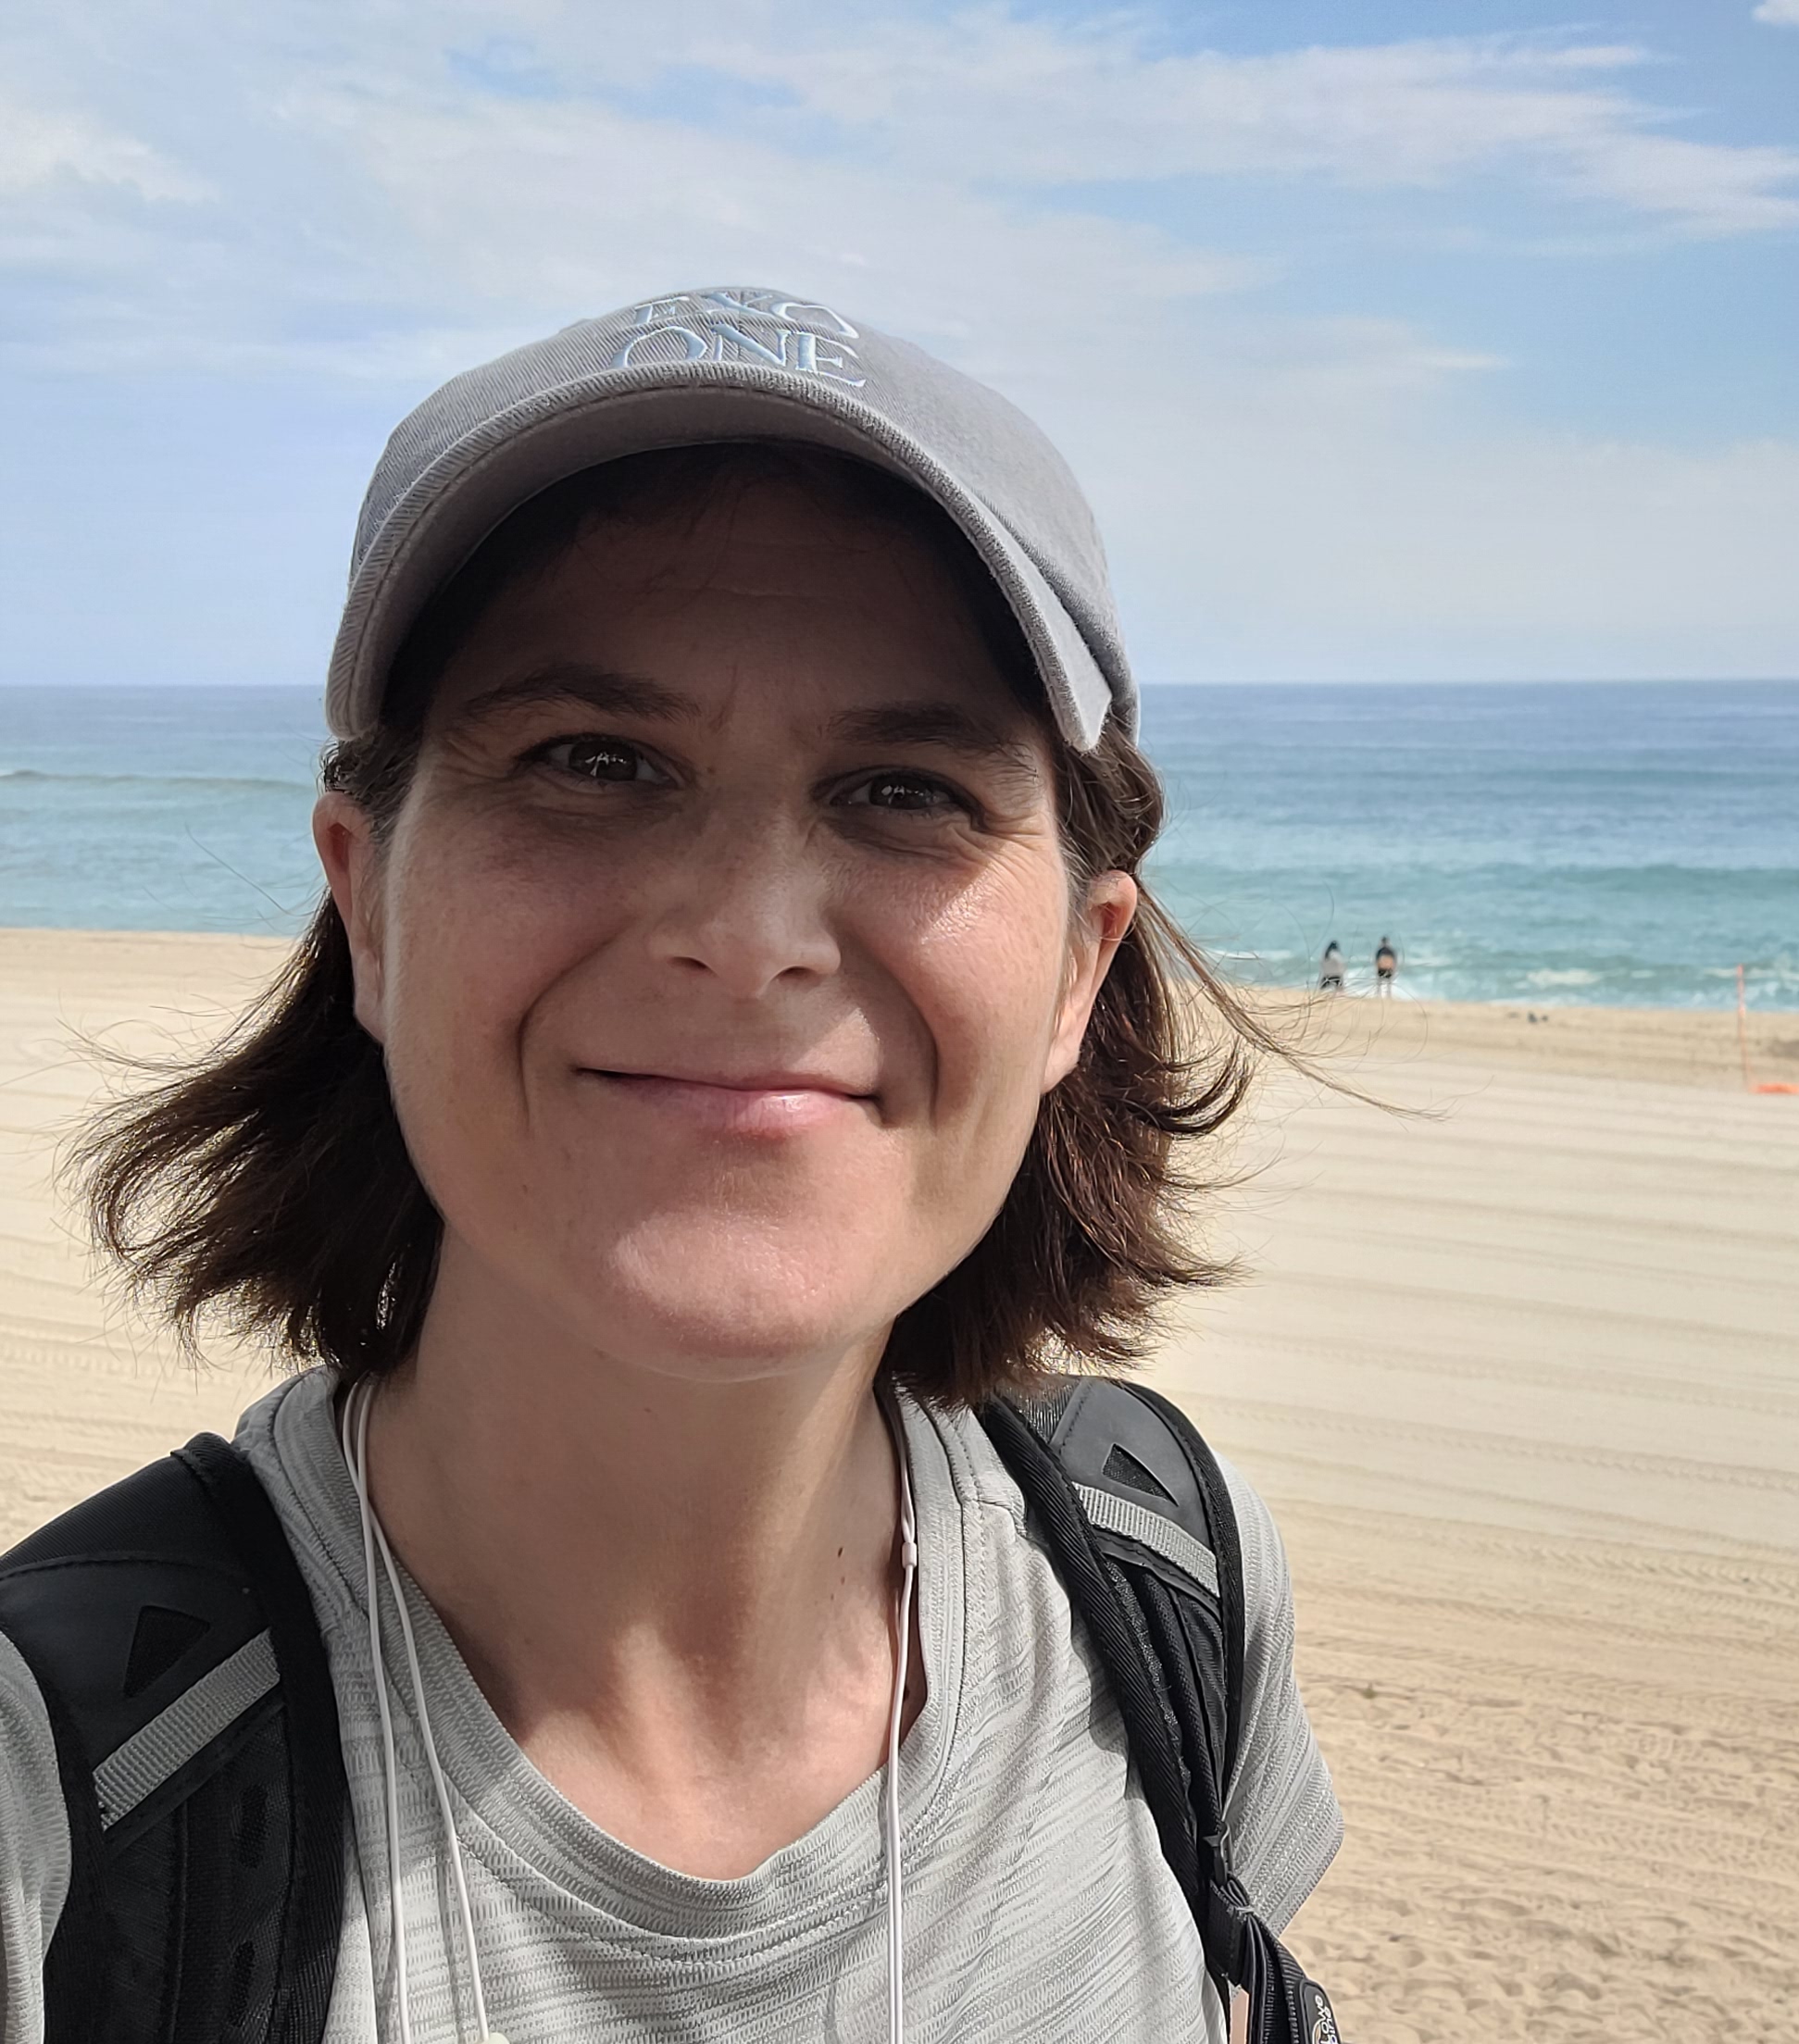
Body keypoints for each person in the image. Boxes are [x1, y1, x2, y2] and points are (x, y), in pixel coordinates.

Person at [0, 290, 1338, 2042]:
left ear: (1080, 970)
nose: (749, 930)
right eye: (594, 762)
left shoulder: (1164, 1576)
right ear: (369, 904)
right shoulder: (50, 1810)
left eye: (906, 789)